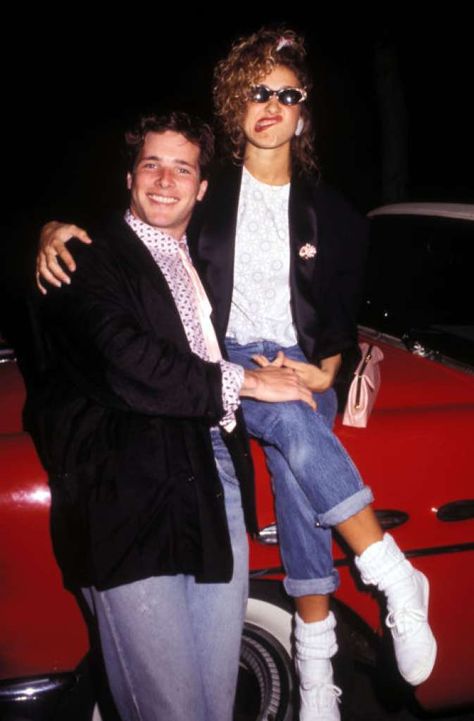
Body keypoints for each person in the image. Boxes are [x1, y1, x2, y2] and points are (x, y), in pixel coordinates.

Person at [36, 29, 437, 721]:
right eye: (259, 90)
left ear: (304, 111)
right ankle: (387, 571)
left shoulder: (336, 215)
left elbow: (339, 321)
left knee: (294, 439)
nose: (273, 104)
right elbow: (142, 233)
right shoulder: (207, 201)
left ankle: (316, 669)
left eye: (288, 93)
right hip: (228, 366)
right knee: (285, 420)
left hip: (297, 368)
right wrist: (49, 229)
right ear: (236, 104)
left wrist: (325, 369)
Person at [30, 111, 317, 721]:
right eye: (151, 165)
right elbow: (125, 362)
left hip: (212, 491)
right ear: (129, 176)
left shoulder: (206, 261)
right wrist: (249, 382)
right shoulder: (89, 256)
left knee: (215, 706)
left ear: (202, 187)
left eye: (182, 168)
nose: (165, 180)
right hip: (125, 497)